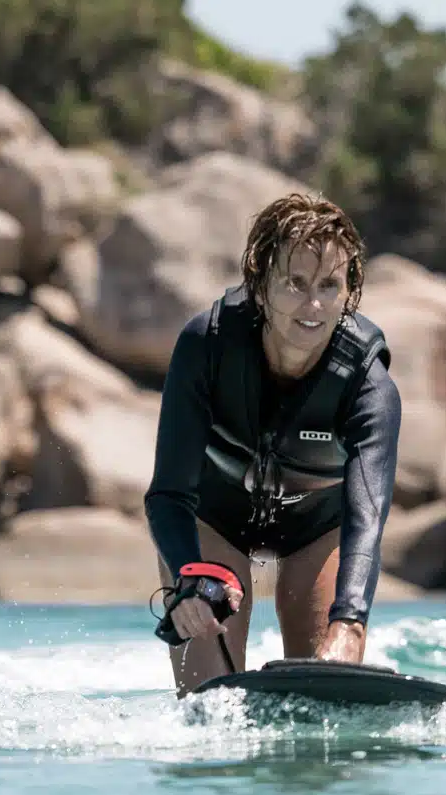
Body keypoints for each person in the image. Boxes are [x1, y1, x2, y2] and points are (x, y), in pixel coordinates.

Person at [143, 192, 402, 692]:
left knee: (323, 689)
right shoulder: (207, 347)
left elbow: (367, 516)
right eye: (295, 283)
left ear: (349, 291)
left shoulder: (368, 384)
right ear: (260, 287)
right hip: (215, 522)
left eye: (329, 285)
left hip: (317, 530)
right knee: (210, 701)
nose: (314, 305)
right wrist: (188, 578)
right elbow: (168, 494)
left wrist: (350, 622)